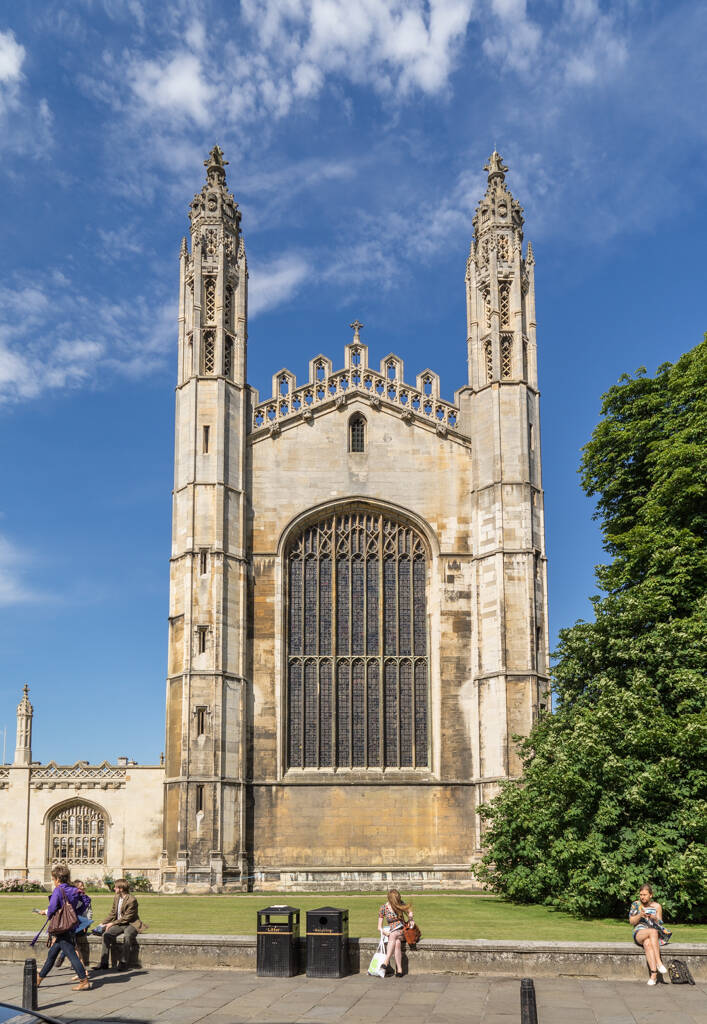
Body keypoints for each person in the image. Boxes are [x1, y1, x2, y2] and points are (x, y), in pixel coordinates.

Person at [36, 864, 91, 991]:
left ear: (58, 879)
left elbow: (52, 907)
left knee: (72, 955)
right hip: (70, 925)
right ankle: (39, 978)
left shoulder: (58, 890)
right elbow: (86, 900)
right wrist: (75, 912)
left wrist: (47, 912)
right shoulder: (74, 889)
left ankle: (84, 981)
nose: (53, 881)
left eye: (53, 879)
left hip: (61, 927)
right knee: (52, 954)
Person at [94, 878, 143, 972]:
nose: (114, 889)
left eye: (115, 887)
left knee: (127, 935)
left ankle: (123, 963)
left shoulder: (132, 900)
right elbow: (113, 913)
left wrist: (112, 923)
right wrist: (102, 923)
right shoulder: (116, 897)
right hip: (119, 923)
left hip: (131, 923)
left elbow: (127, 918)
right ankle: (104, 963)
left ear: (121, 889)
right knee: (106, 935)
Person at [629, 884, 672, 985]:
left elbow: (660, 923)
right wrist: (640, 915)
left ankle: (653, 975)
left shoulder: (657, 906)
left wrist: (655, 918)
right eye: (641, 895)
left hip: (652, 933)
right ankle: (659, 963)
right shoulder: (635, 904)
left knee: (647, 943)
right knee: (652, 931)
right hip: (639, 932)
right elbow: (631, 921)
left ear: (651, 895)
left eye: (645, 895)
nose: (642, 897)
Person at [54, 879, 92, 973]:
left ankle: (64, 957)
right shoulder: (74, 898)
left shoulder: (86, 898)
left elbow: (89, 913)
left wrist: (86, 924)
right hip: (72, 923)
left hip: (82, 924)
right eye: (81, 886)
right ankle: (74, 963)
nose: (83, 887)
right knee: (71, 938)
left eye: (83, 885)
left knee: (71, 938)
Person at [377, 888, 415, 978]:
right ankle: (399, 970)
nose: (398, 902)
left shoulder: (400, 904)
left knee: (393, 935)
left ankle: (386, 962)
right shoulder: (383, 908)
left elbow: (410, 913)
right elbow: (379, 927)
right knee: (397, 943)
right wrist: (384, 932)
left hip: (403, 931)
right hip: (392, 933)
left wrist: (411, 917)